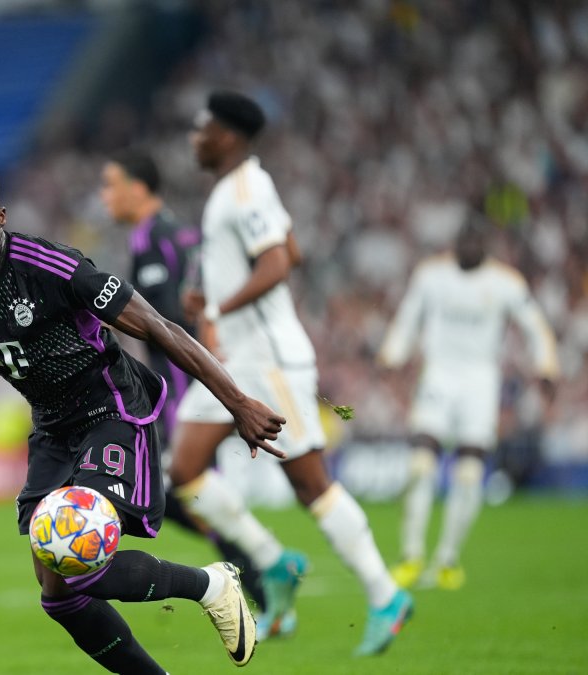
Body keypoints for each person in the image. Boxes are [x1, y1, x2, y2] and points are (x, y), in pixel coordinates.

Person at [0, 160, 288, 672]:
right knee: (58, 595)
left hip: (113, 409)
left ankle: (213, 584)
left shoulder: (53, 266)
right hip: (52, 426)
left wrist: (237, 403)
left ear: (0, 216)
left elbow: (157, 326)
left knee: (79, 557)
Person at [168, 91, 412, 656]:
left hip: (271, 361)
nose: (194, 138)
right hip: (236, 360)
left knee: (309, 483)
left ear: (228, 134)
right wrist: (210, 298)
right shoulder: (232, 190)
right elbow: (292, 246)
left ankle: (385, 593)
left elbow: (279, 261)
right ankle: (275, 563)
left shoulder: (249, 187)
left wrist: (218, 308)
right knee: (184, 470)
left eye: (202, 128)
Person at [99, 149, 265, 611]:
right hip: (187, 385)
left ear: (137, 188)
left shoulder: (157, 238)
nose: (103, 195)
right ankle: (266, 585)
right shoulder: (171, 234)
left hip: (182, 387)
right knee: (184, 496)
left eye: (110, 184)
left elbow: (171, 324)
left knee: (179, 493)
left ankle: (267, 571)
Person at [377, 220, 559, 590]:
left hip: (480, 381)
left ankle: (447, 559)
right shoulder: (431, 276)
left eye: (475, 239)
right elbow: (408, 318)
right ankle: (411, 555)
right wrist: (392, 355)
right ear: (455, 243)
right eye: (463, 239)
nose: (468, 246)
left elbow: (534, 325)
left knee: (469, 472)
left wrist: (546, 365)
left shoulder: (506, 282)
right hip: (439, 375)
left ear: (485, 245)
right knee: (420, 464)